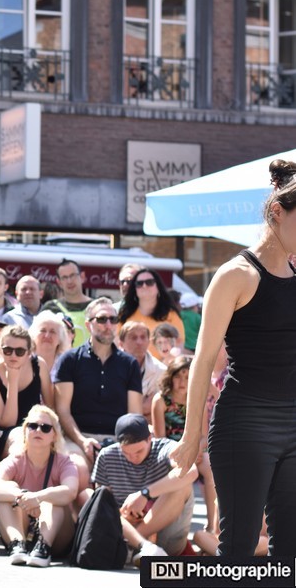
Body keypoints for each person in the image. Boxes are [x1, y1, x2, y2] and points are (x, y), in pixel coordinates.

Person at [171, 161, 296, 557]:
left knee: (290, 553)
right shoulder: (235, 275)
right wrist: (191, 436)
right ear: (277, 212)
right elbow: (203, 360)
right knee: (238, 548)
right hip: (245, 423)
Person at [92, 413, 197, 562]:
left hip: (164, 535)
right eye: (126, 453)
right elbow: (100, 505)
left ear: (150, 438)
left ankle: (132, 545)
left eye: (139, 451)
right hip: (124, 526)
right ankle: (138, 544)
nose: (133, 457)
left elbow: (191, 471)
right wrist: (124, 514)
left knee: (182, 484)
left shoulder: (165, 448)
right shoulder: (106, 456)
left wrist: (145, 494)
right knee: (89, 494)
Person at [0, 405, 80, 567]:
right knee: (8, 490)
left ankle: (43, 548)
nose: (38, 431)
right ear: (25, 431)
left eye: (45, 428)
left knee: (53, 498)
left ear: (54, 435)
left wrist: (38, 498)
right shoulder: (16, 459)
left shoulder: (64, 461)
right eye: (32, 426)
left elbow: (70, 491)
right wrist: (20, 496)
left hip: (57, 537)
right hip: (22, 525)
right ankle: (17, 545)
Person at [54, 297, 143, 469]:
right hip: (76, 439)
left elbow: (134, 414)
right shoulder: (69, 360)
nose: (108, 325)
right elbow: (62, 410)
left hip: (119, 441)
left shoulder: (129, 364)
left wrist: (124, 445)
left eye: (113, 319)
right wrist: (82, 441)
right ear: (88, 325)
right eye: (102, 319)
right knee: (78, 469)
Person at [152, 355, 217, 534]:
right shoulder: (160, 400)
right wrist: (184, 451)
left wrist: (196, 449)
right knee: (184, 471)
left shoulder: (197, 399)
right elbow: (160, 439)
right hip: (171, 449)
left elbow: (204, 435)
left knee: (210, 468)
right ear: (170, 377)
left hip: (196, 449)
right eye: (178, 377)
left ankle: (212, 526)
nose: (182, 382)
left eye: (188, 377)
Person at [0, 325, 54, 463]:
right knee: (21, 440)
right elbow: (7, 423)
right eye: (8, 350)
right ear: (0, 350)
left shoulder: (39, 365)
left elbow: (50, 408)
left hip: (35, 429)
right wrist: (12, 381)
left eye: (20, 351)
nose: (13, 356)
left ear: (29, 352)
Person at [117, 267, 184, 357]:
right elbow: (117, 344)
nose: (144, 286)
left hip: (163, 365)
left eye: (149, 282)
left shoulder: (171, 315)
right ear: (135, 289)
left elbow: (179, 345)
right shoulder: (124, 314)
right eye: (139, 283)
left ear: (158, 287)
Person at [118, 320, 166, 421]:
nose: (139, 342)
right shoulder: (109, 367)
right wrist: (143, 407)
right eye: (133, 337)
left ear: (149, 341)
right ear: (121, 343)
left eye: (143, 337)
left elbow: (158, 410)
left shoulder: (161, 371)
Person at [41, 259, 92, 347]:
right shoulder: (50, 308)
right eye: (64, 277)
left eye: (73, 275)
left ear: (82, 277)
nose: (69, 281)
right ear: (59, 282)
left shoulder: (97, 307)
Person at [28, 310, 71, 377]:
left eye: (52, 332)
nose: (47, 336)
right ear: (33, 336)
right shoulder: (24, 361)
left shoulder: (67, 364)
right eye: (43, 330)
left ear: (60, 339)